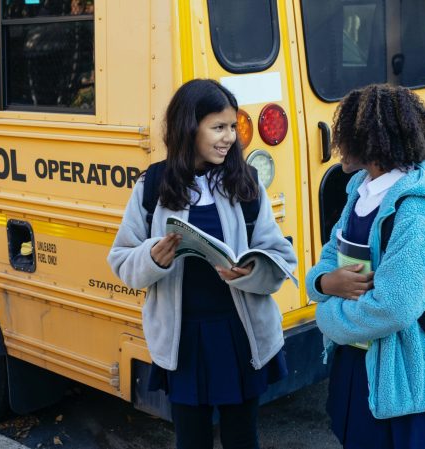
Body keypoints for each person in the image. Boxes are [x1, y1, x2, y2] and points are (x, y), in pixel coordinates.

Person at [108, 79, 297, 449]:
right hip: (183, 340)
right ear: (188, 128)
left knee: (243, 438)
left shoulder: (245, 182)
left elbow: (280, 256)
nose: (229, 138)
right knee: (191, 440)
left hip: (240, 335)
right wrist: (151, 258)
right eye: (218, 127)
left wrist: (251, 270)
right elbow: (121, 260)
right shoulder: (153, 185)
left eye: (232, 127)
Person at [305, 84, 425, 449]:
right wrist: (326, 283)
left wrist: (327, 315)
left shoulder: (416, 210)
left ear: (369, 141)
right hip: (355, 362)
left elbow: (395, 306)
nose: (337, 143)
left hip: (396, 373)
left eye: (343, 133)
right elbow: (329, 256)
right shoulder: (360, 190)